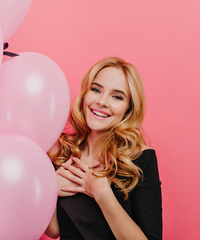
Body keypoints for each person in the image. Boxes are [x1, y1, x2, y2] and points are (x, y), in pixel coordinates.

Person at [45, 57, 162, 240]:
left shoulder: (140, 159)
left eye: (117, 96)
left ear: (128, 109)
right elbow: (54, 231)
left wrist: (102, 194)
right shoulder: (62, 152)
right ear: (85, 94)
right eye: (96, 89)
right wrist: (50, 187)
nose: (102, 101)